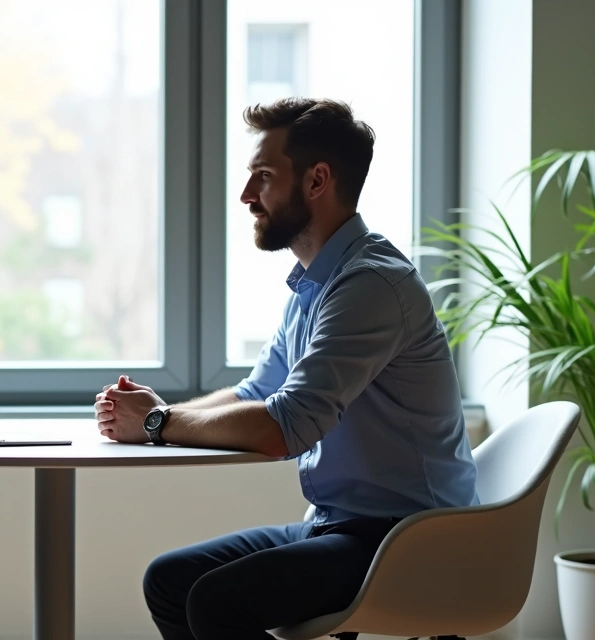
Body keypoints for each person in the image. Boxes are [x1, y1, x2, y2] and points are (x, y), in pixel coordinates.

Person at [92, 97, 479, 639]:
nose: (247, 196)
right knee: (171, 580)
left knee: (218, 602)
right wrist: (159, 413)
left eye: (263, 177)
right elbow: (257, 391)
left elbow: (282, 429)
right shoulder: (314, 285)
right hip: (339, 525)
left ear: (317, 180)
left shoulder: (369, 284)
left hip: (408, 539)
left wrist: (155, 425)